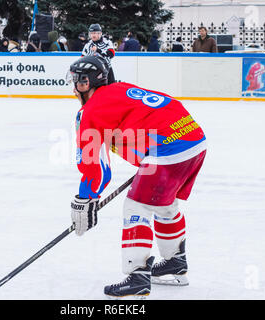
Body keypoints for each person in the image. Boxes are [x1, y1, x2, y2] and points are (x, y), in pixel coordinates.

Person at [68, 54, 207, 299]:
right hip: (194, 139)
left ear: (86, 84)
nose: (74, 88)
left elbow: (95, 166)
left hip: (167, 151)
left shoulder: (91, 110)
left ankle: (138, 277)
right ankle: (175, 262)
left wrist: (85, 199)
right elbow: (153, 115)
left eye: (77, 82)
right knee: (164, 203)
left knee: (136, 205)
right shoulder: (121, 89)